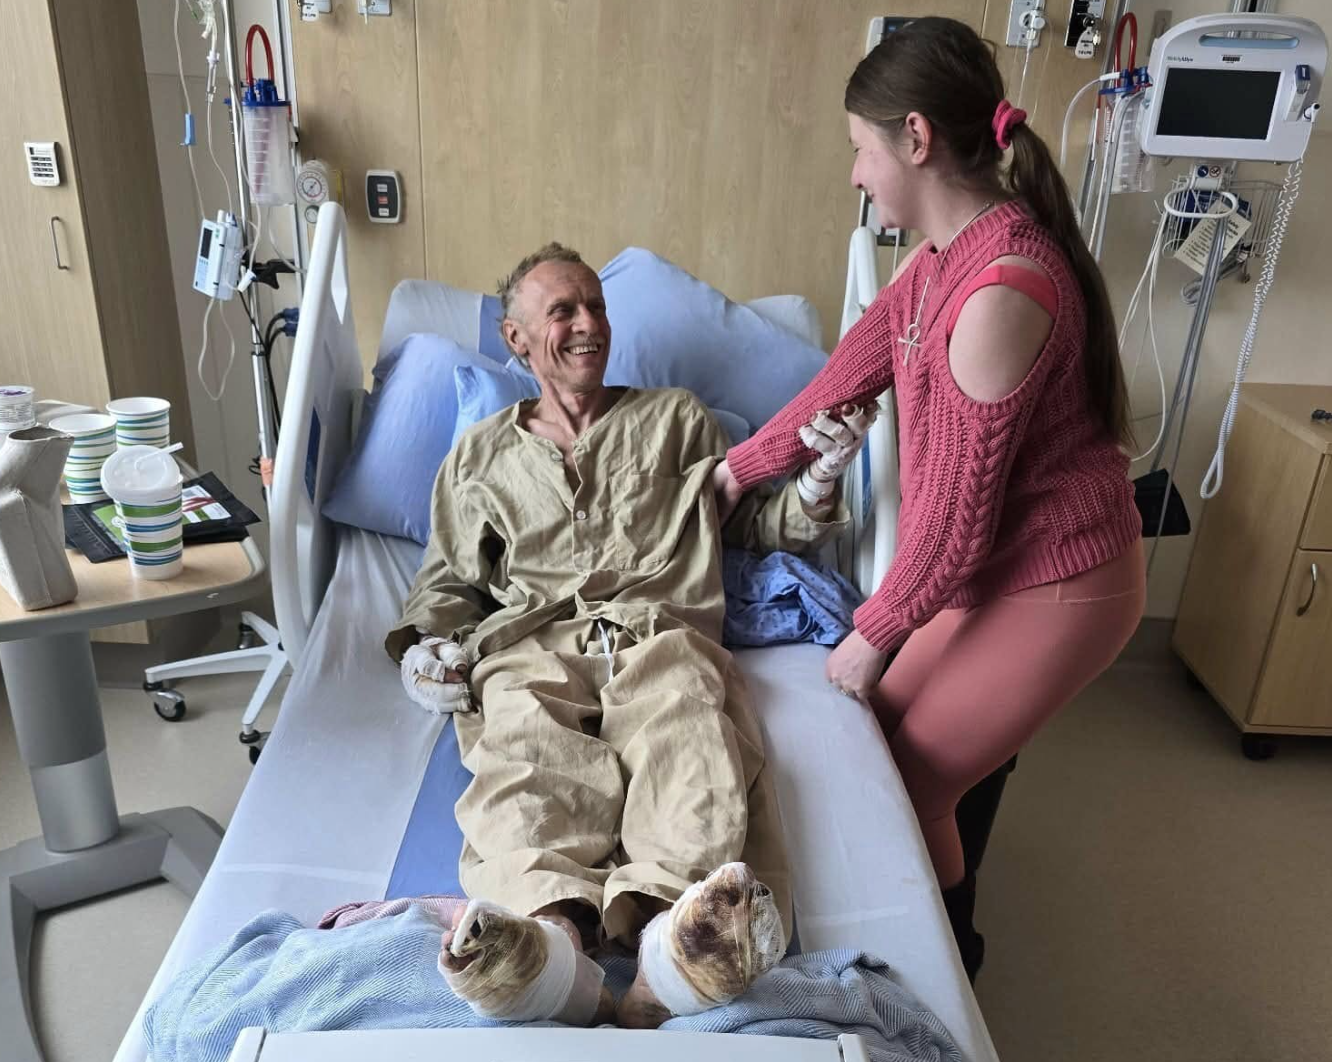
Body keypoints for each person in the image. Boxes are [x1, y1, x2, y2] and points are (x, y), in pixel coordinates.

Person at [713, 17, 1145, 981]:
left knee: (906, 780)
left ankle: (948, 971)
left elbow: (952, 527)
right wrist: (738, 471)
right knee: (880, 743)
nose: (857, 175)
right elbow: (849, 376)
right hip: (997, 566)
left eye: (862, 151)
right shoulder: (941, 258)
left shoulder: (1000, 294)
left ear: (915, 138)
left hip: (1062, 584)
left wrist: (871, 635)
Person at [385, 243, 865, 1027]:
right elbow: (445, 585)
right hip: (530, 644)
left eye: (597, 308)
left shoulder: (675, 419)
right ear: (515, 339)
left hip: (659, 629)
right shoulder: (478, 456)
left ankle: (668, 949)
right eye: (563, 311)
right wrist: (424, 652)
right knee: (523, 756)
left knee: (689, 735)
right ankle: (551, 945)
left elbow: (752, 527)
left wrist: (817, 479)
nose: (587, 325)